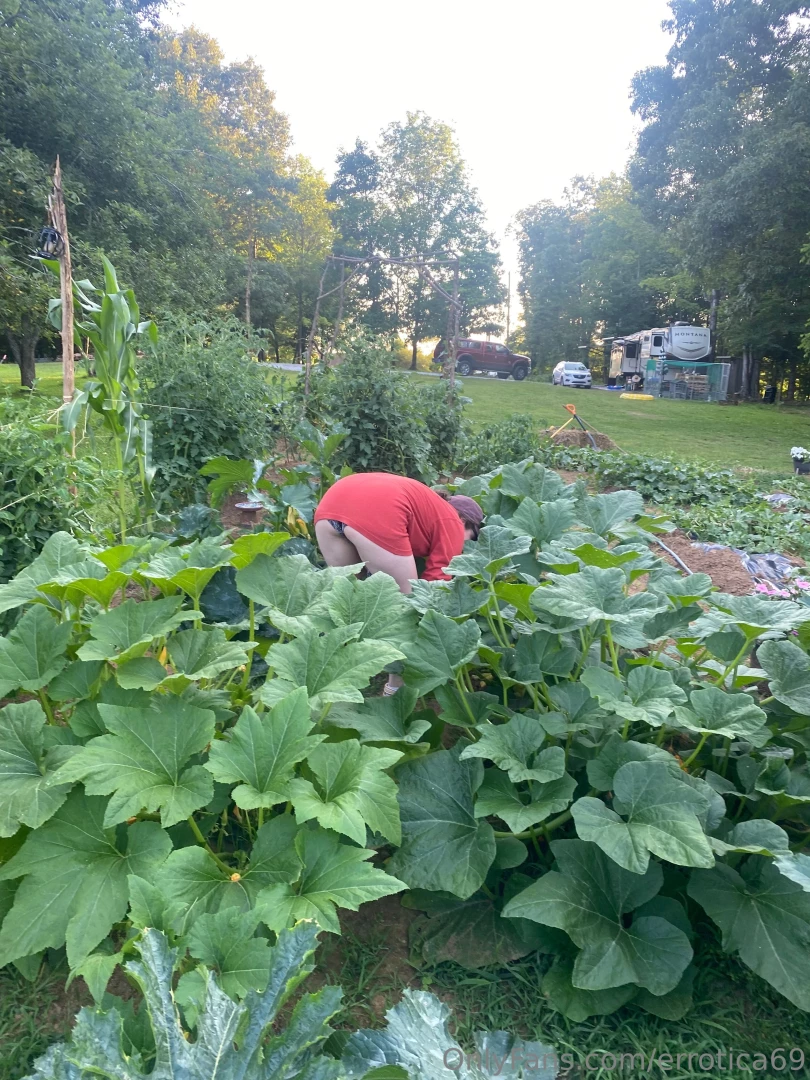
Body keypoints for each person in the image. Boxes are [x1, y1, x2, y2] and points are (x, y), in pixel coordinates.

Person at [314, 473, 483, 693]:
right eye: (471, 537)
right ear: (464, 521)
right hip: (378, 511)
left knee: (346, 601)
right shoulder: (452, 520)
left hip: (332, 503)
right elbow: (437, 580)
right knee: (404, 610)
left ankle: (323, 679)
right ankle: (395, 692)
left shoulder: (429, 507)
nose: (466, 545)